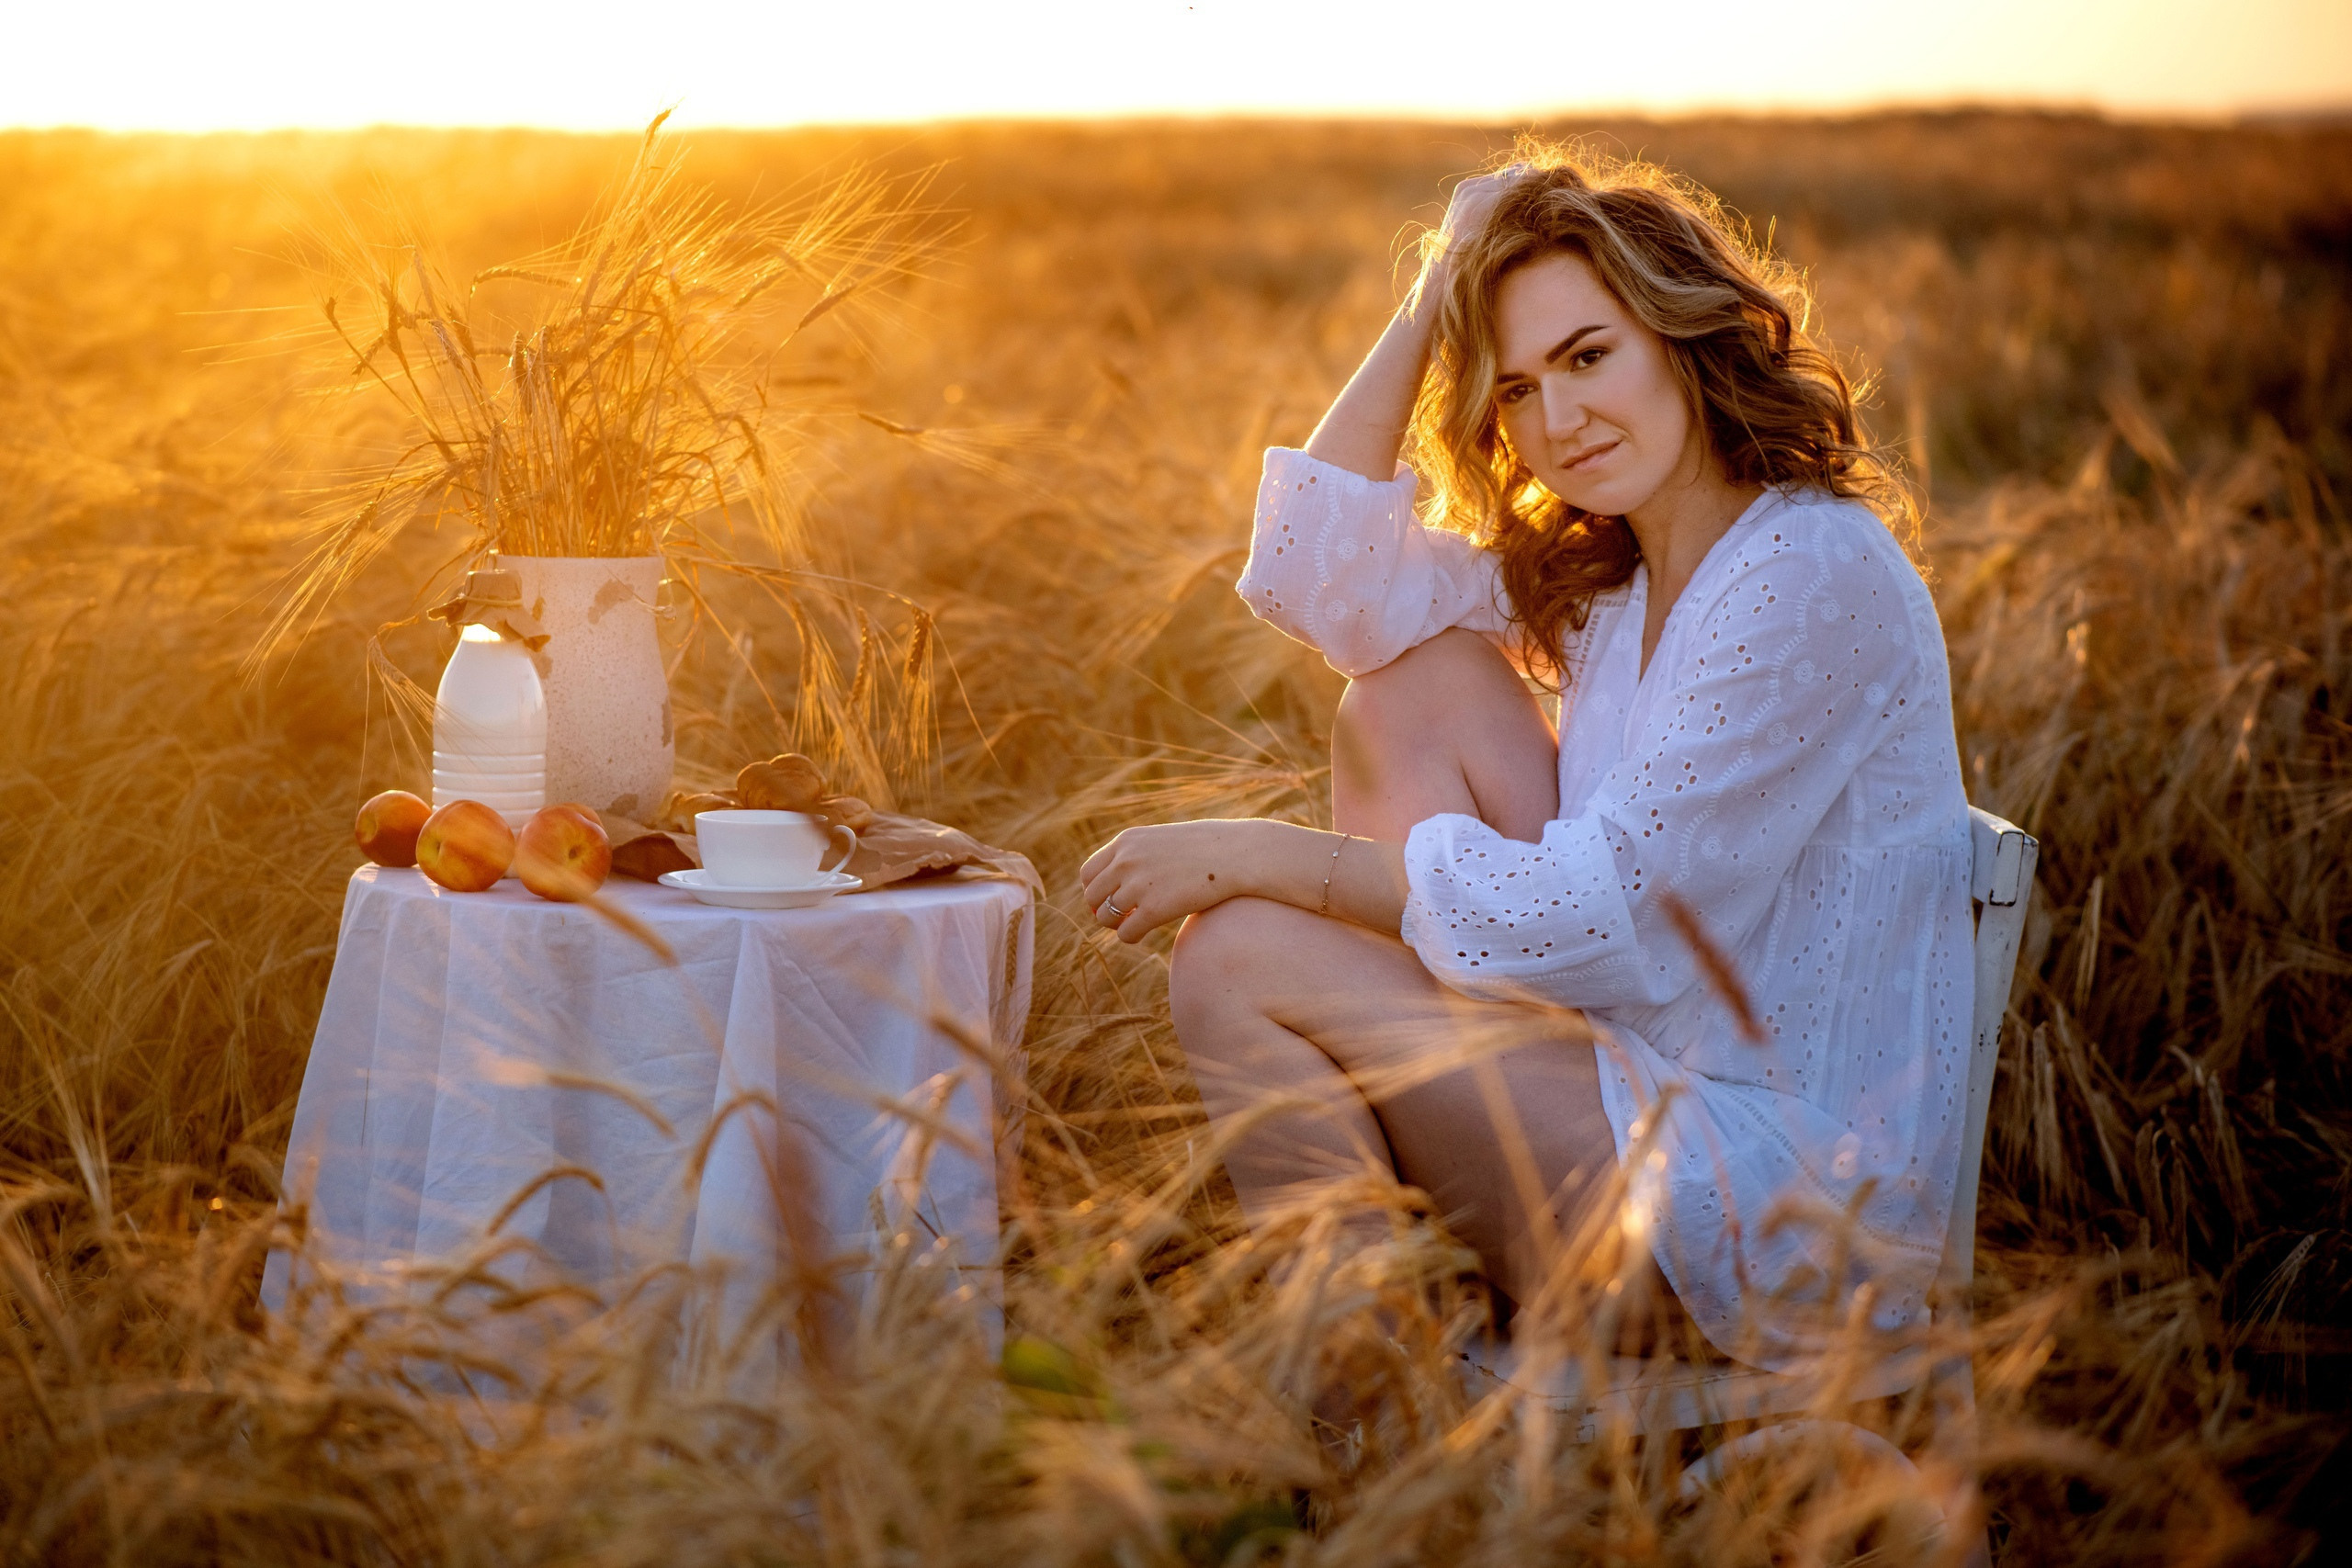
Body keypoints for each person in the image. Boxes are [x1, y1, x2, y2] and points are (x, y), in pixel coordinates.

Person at [1078, 141, 1973, 1366]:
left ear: (1687, 335)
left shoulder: (1807, 570)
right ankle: (1388, 1375)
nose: (1558, 421)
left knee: (1235, 953)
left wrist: (1268, 858)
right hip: (1623, 1093)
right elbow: (1311, 581)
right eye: (1513, 391)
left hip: (1782, 1205)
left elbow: (1612, 912)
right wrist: (1437, 283)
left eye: (1588, 356)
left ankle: (1370, 1406)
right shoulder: (1610, 577)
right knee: (1409, 688)